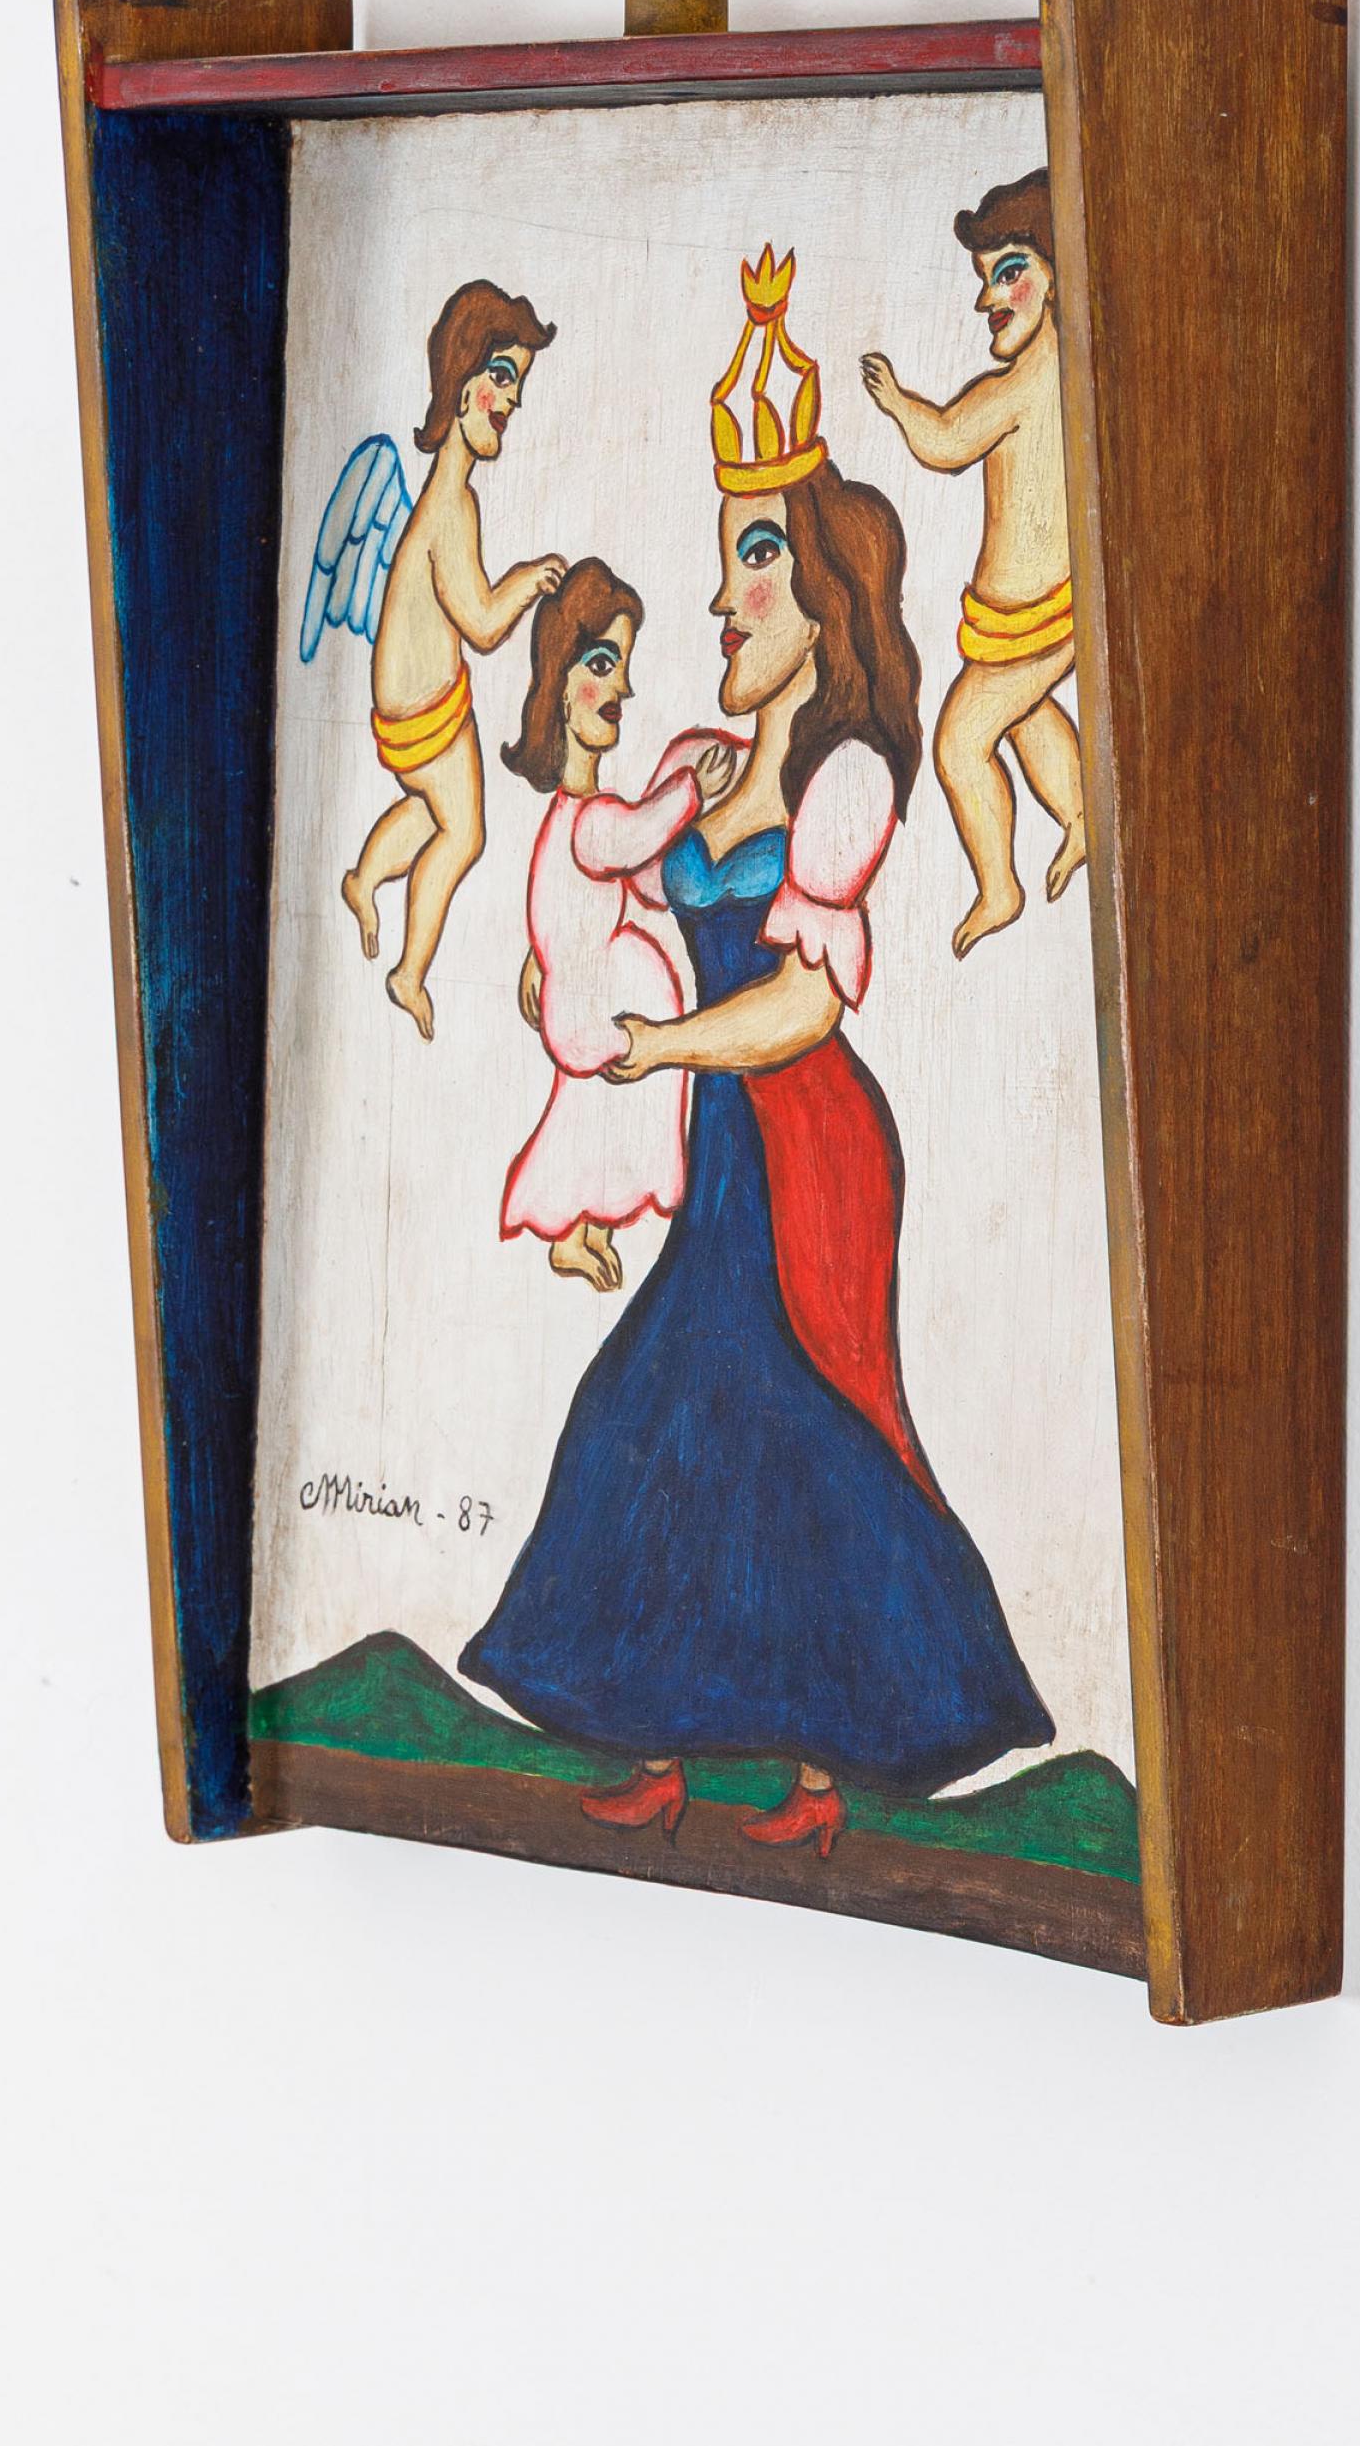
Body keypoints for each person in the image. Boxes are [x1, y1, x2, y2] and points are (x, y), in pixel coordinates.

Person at [462, 248, 1051, 1859]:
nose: (725, 598)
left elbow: (805, 1007)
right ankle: (658, 1736)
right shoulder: (705, 763)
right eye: (728, 563)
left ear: (826, 595)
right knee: (664, 1409)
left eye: (756, 561)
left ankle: (832, 1757)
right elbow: (616, 902)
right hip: (726, 1131)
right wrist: (560, 973)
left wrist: (660, 1040)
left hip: (808, 1142)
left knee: (797, 1420)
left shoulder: (848, 780)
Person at [859, 170, 1087, 955]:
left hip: (1040, 617)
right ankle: (1081, 812)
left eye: (1008, 271)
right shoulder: (1052, 374)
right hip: (1022, 619)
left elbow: (949, 440)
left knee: (960, 741)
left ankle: (999, 886)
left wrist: (898, 402)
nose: (989, 297)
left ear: (1057, 273)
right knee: (1022, 716)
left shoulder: (1031, 381)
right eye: (985, 277)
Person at [499, 557, 735, 1292]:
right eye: (604, 664)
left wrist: (540, 957)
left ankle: (587, 1231)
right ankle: (582, 1231)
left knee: (591, 1119)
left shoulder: (566, 816)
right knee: (611, 1117)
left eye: (623, 667)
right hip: (595, 1014)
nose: (623, 689)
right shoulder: (592, 819)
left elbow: (561, 900)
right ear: (559, 683)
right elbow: (633, 837)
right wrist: (691, 790)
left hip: (579, 999)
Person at [340, 279, 567, 1038]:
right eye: (502, 376)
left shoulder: (442, 502)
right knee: (463, 833)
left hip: (415, 705)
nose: (512, 400)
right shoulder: (449, 507)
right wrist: (528, 581)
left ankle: (365, 877)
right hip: (427, 709)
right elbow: (481, 621)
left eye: (518, 383)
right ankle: (409, 972)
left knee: (433, 811)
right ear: (462, 380)